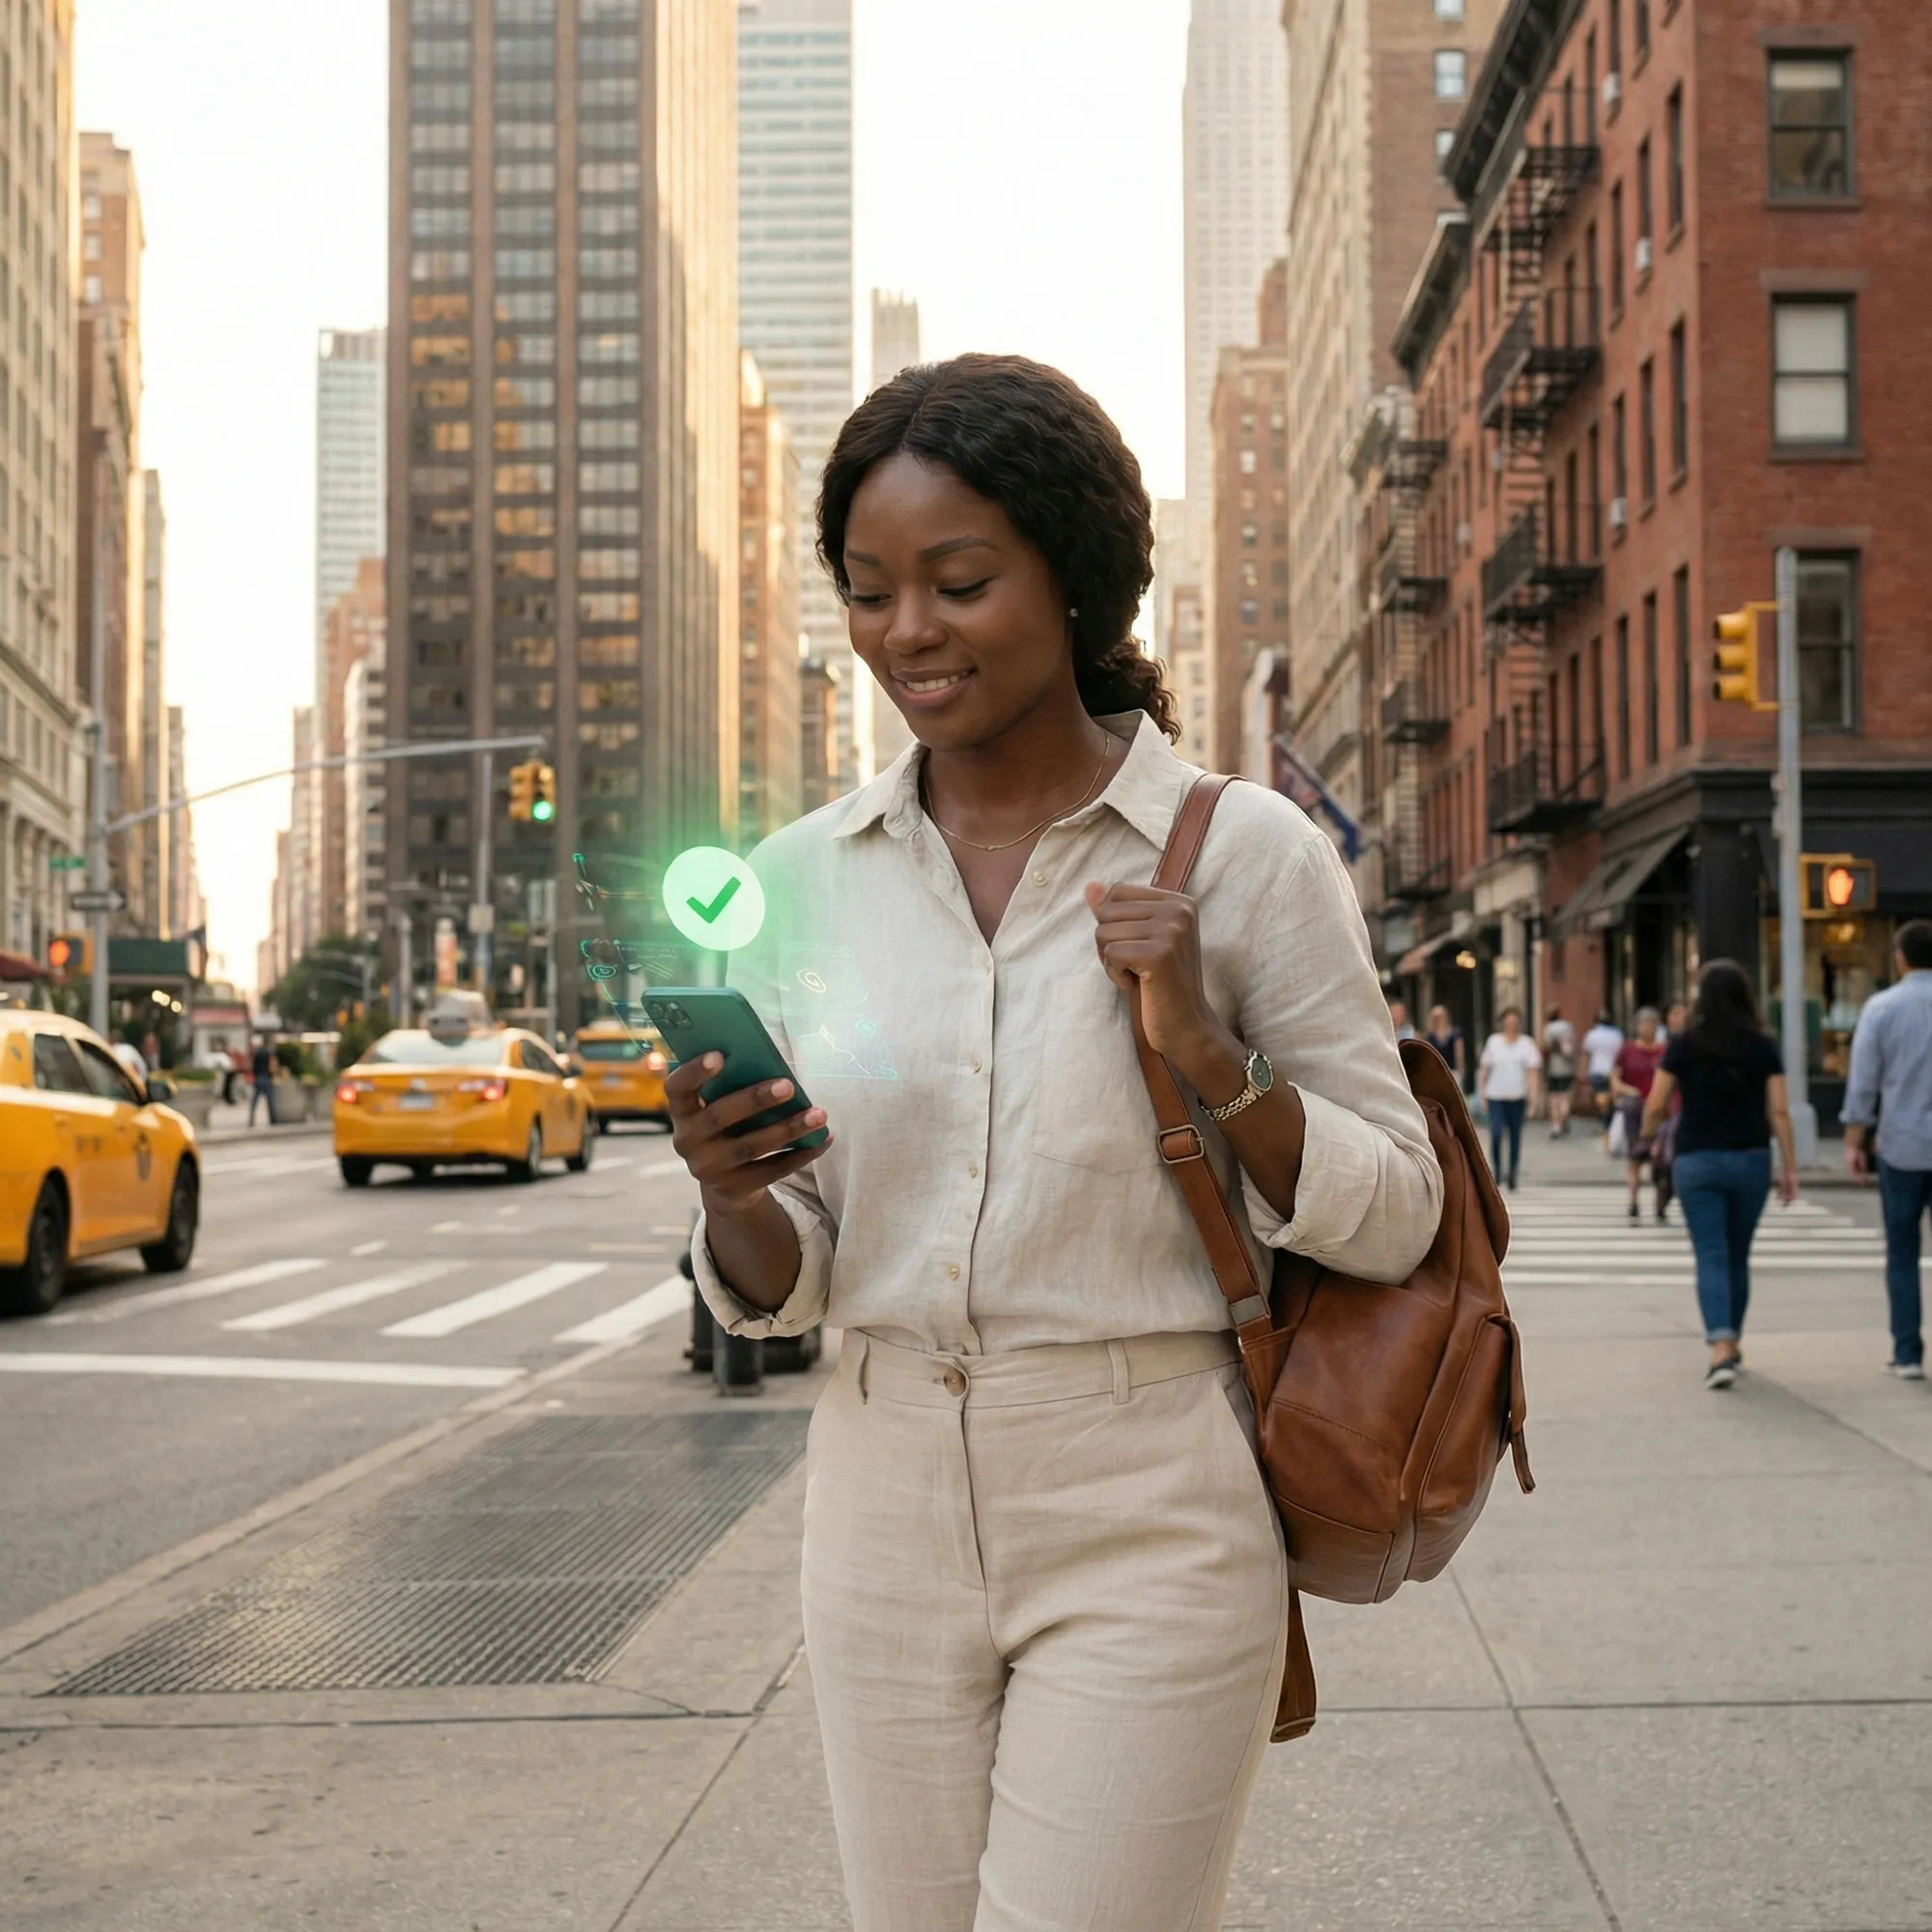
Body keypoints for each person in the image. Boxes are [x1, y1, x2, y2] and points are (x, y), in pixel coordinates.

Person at [672, 354, 1444, 1932]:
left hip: (1150, 1495)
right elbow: (791, 1272)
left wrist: (1211, 1057)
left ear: (1077, 580)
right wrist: (730, 1190)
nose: (908, 630)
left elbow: (1399, 1215)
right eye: (869, 591)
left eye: (959, 583)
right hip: (879, 1494)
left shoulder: (1246, 855)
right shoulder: (800, 880)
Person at [1642, 960, 1800, 1389]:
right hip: (1750, 1159)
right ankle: (1732, 1341)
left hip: (1697, 1160)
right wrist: (1789, 1166)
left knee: (1710, 1254)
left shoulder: (1683, 1044)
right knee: (1737, 1254)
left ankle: (1720, 1347)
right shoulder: (1763, 1046)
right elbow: (1779, 1111)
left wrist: (1647, 1135)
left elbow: (1656, 1102)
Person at [1840, 919, 1932, 1379]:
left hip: (1901, 1145)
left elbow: (1863, 1081)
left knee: (1902, 1251)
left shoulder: (1882, 1008)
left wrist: (1855, 1139)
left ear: (1900, 959)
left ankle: (1907, 1352)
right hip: (1905, 1142)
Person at [1609, 1007, 1668, 1220]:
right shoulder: (1627, 1050)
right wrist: (1629, 1091)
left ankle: (1660, 1202)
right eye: (1644, 1024)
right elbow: (1614, 1080)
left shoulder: (1664, 1051)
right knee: (1634, 1157)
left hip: (1660, 1112)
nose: (1648, 1028)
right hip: (1634, 1111)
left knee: (1659, 1158)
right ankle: (1633, 1201)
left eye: (1652, 1024)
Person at [1477, 1007, 1543, 1191]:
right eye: (1508, 1021)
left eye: (1515, 1022)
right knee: (1496, 1133)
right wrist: (1482, 1094)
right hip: (1495, 1096)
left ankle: (1513, 1172)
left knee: (1515, 1137)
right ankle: (1497, 1169)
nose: (1511, 1025)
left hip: (1517, 1097)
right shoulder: (1494, 1042)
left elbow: (1533, 1073)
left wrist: (1534, 1098)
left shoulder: (1526, 1044)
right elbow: (1484, 1070)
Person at [1581, 1009, 1624, 1123]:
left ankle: (1604, 1116)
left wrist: (1583, 1072)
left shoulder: (1592, 1034)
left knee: (1599, 1094)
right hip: (1613, 1069)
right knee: (1611, 1094)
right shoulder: (1617, 1034)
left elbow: (1586, 1054)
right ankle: (1608, 1117)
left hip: (1597, 1069)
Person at [1542, 1008, 1577, 1136]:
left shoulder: (1548, 1028)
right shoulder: (1568, 1027)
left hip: (1553, 1067)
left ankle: (1556, 1125)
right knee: (1565, 1096)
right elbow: (1573, 1045)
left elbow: (1546, 1047)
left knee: (1553, 1098)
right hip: (1567, 1067)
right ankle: (1563, 1119)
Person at [1425, 1003, 1465, 1086]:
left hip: (1452, 1071)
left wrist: (1461, 1069)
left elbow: (1459, 1053)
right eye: (1436, 1017)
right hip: (1436, 1073)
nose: (1439, 1019)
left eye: (1441, 1016)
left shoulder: (1455, 1033)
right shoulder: (1430, 1036)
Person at [247, 1037, 274, 1127]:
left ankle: (251, 1119)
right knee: (270, 1101)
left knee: (254, 1101)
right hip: (266, 1077)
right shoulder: (268, 1053)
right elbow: (271, 1066)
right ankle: (273, 1119)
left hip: (258, 1078)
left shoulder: (256, 1053)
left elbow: (252, 1067)